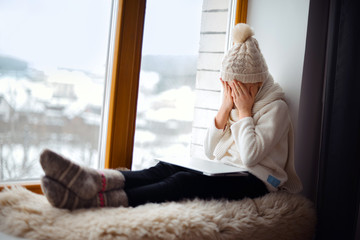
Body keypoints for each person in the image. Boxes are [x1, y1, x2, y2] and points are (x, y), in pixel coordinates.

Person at [40, 23, 303, 210]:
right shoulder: (235, 103)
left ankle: (96, 200)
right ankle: (94, 180)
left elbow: (250, 156)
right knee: (164, 168)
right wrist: (224, 110)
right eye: (227, 87)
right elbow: (211, 151)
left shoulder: (275, 108)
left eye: (236, 88)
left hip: (256, 181)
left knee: (183, 182)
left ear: (254, 86)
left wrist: (244, 113)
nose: (231, 94)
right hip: (226, 171)